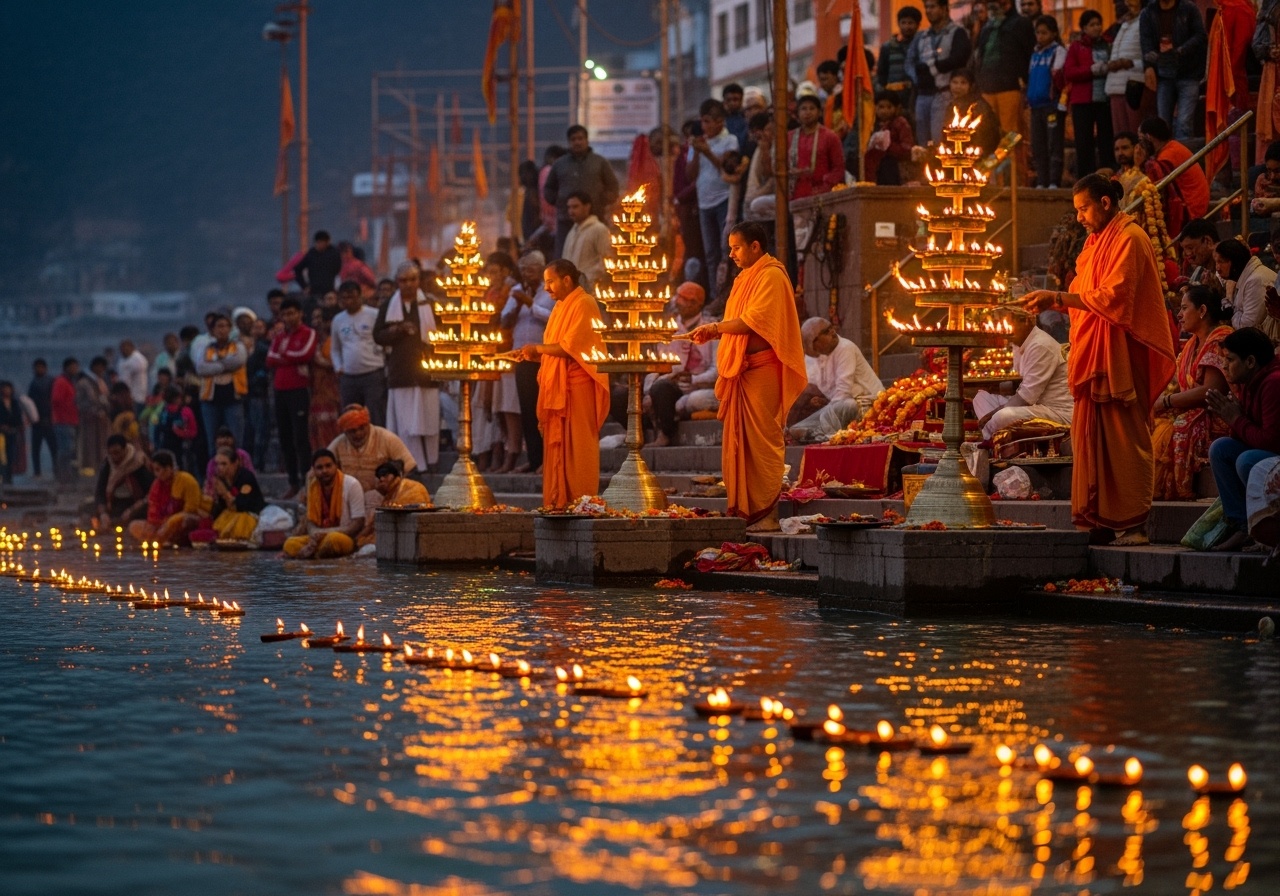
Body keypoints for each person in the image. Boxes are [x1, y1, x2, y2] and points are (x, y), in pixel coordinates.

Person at [1021, 174, 1176, 544]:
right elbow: (1082, 294)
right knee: (1094, 439)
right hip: (1093, 354)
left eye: (1084, 208)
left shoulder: (1131, 238)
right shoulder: (1093, 245)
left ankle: (1135, 524)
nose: (1079, 218)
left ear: (1105, 203)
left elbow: (1114, 297)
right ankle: (1103, 522)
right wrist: (1052, 297)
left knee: (1126, 438)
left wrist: (1056, 298)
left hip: (1121, 355)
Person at [687, 222, 807, 532]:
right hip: (743, 369)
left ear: (755, 246)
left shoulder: (772, 276)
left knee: (763, 440)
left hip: (763, 368)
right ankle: (748, 511)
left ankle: (767, 514)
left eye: (736, 247)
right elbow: (736, 322)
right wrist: (715, 331)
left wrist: (714, 329)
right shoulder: (744, 279)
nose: (731, 254)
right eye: (729, 247)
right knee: (742, 444)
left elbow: (752, 322)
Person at [518, 259, 609, 509]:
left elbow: (571, 347)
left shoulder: (585, 303)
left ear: (566, 280)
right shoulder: (559, 307)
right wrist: (535, 353)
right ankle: (559, 502)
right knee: (558, 449)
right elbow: (554, 347)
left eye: (550, 281)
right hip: (559, 385)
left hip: (578, 385)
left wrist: (537, 349)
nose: (546, 288)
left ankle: (581, 501)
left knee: (578, 449)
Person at [1151, 285, 1234, 499]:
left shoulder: (1221, 339)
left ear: (1203, 311)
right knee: (1151, 420)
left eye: (1184, 308)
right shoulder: (1191, 344)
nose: (1179, 314)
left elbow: (1211, 391)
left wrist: (1167, 401)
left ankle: (1178, 489)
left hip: (1217, 414)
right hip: (1191, 408)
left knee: (1178, 426)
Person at [1204, 328, 1280, 550]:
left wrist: (1236, 418)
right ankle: (1242, 527)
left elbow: (1270, 442)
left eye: (1230, 359)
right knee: (1221, 449)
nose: (1224, 366)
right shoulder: (1248, 382)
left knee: (1247, 461)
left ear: (1250, 361)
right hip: (1265, 450)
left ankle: (1267, 525)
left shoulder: (1274, 383)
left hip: (1274, 456)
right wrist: (1234, 417)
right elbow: (1246, 436)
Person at [374, 261, 442, 473]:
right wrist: (398, 330)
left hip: (427, 371)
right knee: (405, 424)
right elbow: (378, 336)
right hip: (401, 372)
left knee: (429, 420)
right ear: (397, 282)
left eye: (413, 279)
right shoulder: (388, 306)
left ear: (419, 280)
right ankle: (411, 464)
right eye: (404, 280)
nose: (409, 284)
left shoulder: (429, 304)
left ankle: (430, 463)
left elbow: (441, 334)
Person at [644, 282, 720, 447]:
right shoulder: (669, 329)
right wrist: (648, 391)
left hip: (699, 388)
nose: (677, 303)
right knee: (639, 393)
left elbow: (717, 371)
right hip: (670, 386)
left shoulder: (711, 328)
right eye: (678, 298)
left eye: (684, 300)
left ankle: (666, 430)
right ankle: (646, 432)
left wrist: (693, 379)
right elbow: (655, 367)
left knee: (694, 400)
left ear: (696, 304)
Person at [501, 251, 556, 473]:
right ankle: (534, 459)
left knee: (545, 409)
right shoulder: (516, 292)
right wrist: (516, 305)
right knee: (527, 410)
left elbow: (552, 317)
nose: (526, 274)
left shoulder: (550, 291)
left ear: (541, 270)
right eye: (523, 270)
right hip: (522, 358)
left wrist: (530, 303)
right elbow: (504, 321)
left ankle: (549, 459)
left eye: (530, 270)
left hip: (545, 357)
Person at [787, 318, 883, 443]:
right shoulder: (819, 356)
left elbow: (843, 392)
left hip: (867, 406)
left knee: (847, 405)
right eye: (826, 331)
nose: (832, 332)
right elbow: (809, 384)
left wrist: (829, 407)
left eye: (831, 328)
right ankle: (813, 433)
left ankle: (821, 435)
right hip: (838, 407)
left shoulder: (845, 348)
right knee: (798, 422)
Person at [973, 0, 1035, 171]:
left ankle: (1011, 177)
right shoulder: (988, 26)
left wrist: (1026, 83)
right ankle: (989, 174)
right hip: (986, 88)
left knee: (1010, 136)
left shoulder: (1021, 23)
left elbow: (1029, 54)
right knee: (987, 133)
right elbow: (980, 55)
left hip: (1010, 87)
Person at [543, 125, 620, 259]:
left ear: (587, 140)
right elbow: (549, 188)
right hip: (566, 220)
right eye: (573, 139)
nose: (577, 142)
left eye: (580, 138)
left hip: (595, 218)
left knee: (597, 257)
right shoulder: (560, 164)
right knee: (565, 257)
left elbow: (613, 186)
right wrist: (560, 201)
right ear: (569, 142)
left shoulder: (599, 162)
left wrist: (602, 201)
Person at [266, 297, 317, 498]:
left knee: (301, 437)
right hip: (280, 391)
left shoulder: (307, 333)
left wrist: (283, 356)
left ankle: (306, 482)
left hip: (299, 390)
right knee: (285, 439)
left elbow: (305, 354)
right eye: (285, 314)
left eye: (292, 313)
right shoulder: (279, 336)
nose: (288, 317)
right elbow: (269, 359)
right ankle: (293, 482)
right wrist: (287, 356)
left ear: (300, 313)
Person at [689, 99, 740, 298]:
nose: (706, 126)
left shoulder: (730, 140)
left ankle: (729, 296)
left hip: (724, 200)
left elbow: (727, 167)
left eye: (709, 121)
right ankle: (715, 295)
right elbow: (690, 175)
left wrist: (706, 152)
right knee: (710, 253)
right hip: (703, 202)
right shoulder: (700, 142)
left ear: (720, 121)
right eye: (703, 121)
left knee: (727, 250)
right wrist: (695, 153)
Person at [1139, 0, 1206, 142]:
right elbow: (1146, 43)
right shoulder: (1148, 12)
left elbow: (1200, 36)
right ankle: (1166, 159)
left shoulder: (1188, 9)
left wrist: (1180, 51)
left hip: (1189, 72)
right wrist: (1148, 66)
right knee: (1162, 124)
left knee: (1184, 122)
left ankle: (1183, 161)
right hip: (1163, 72)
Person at [907, 0, 973, 145]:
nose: (928, 11)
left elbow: (959, 58)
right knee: (923, 145)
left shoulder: (957, 32)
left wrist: (933, 68)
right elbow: (909, 62)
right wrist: (918, 77)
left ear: (944, 9)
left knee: (941, 143)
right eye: (927, 7)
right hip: (923, 95)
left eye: (933, 7)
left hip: (944, 93)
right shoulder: (921, 36)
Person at [327, 404, 418, 507]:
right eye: (352, 431)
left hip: (382, 497)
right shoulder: (339, 443)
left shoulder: (386, 438)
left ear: (368, 423)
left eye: (362, 428)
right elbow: (318, 468)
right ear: (345, 431)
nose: (358, 434)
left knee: (372, 497)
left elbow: (410, 468)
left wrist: (393, 488)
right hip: (348, 497)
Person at [282, 448, 365, 559]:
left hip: (344, 537)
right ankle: (314, 552)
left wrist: (323, 533)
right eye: (319, 468)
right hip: (318, 538)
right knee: (290, 543)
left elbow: (358, 524)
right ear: (314, 470)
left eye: (328, 466)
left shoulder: (352, 484)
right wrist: (315, 536)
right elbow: (310, 522)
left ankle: (312, 554)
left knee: (333, 539)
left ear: (336, 466)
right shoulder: (313, 486)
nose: (324, 471)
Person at [1064, 10, 1115, 178]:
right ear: (1084, 27)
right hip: (1083, 100)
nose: (1097, 27)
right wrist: (1091, 70)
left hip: (1104, 99)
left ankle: (1108, 175)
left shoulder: (1108, 43)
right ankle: (1086, 177)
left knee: (1106, 139)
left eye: (1098, 24)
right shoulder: (1077, 47)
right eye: (1092, 24)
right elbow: (1069, 72)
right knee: (1084, 141)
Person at [1140, 117, 1210, 239]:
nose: (1139, 146)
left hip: (1191, 208)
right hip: (1196, 204)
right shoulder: (1173, 147)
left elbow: (1154, 186)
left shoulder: (1167, 156)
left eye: (1140, 140)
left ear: (1148, 137)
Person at [331, 280, 388, 426]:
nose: (349, 301)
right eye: (345, 298)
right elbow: (335, 348)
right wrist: (338, 366)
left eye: (352, 297)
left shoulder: (374, 314)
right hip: (349, 377)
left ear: (360, 296)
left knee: (375, 415)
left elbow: (384, 340)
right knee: (350, 417)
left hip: (373, 374)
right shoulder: (338, 320)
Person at [127, 450, 204, 546]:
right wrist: (154, 525)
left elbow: (191, 510)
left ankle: (166, 540)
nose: (156, 474)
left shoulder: (187, 480)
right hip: (161, 525)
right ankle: (162, 540)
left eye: (158, 470)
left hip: (184, 521)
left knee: (186, 520)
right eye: (154, 470)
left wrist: (169, 523)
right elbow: (153, 510)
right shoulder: (157, 484)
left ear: (169, 468)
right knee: (134, 526)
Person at [195, 312, 247, 451]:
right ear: (212, 330)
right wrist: (225, 366)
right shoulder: (205, 349)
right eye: (218, 326)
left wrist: (215, 364)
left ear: (230, 329)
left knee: (236, 441)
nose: (222, 329)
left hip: (233, 399)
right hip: (210, 401)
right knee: (213, 442)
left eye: (225, 326)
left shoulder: (238, 347)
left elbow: (238, 361)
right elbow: (200, 369)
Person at [1026, 15, 1067, 189]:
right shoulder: (1035, 55)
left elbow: (1059, 76)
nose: (1040, 36)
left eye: (1044, 33)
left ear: (1054, 33)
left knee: (1054, 144)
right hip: (1036, 106)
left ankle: (1053, 181)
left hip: (1052, 105)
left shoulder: (1058, 51)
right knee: (1038, 145)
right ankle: (1041, 181)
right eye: (1038, 33)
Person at [198, 446, 267, 543]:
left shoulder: (245, 476)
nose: (220, 468)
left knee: (239, 522)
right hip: (231, 513)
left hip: (250, 514)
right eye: (217, 464)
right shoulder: (221, 478)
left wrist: (225, 493)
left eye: (224, 464)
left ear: (235, 463)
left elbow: (242, 506)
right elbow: (222, 507)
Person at [356, 460, 432, 548]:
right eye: (379, 476)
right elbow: (374, 524)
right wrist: (357, 540)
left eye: (385, 475)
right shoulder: (390, 494)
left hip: (410, 537)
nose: (381, 479)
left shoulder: (410, 488)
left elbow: (393, 521)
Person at [1106, 0, 1153, 136]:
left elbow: (1149, 55)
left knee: (1135, 133)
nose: (1127, 4)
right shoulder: (1123, 25)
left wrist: (1130, 63)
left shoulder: (1146, 21)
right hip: (1115, 86)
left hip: (1134, 85)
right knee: (1120, 135)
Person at [789, 94, 846, 199]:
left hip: (821, 195)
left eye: (812, 108)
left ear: (819, 112)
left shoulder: (830, 137)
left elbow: (838, 169)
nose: (808, 112)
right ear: (797, 114)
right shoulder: (789, 138)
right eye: (803, 109)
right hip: (793, 195)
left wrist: (825, 187)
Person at [1214, 238, 1277, 331]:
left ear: (1235, 261)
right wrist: (1237, 312)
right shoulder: (1245, 278)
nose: (1217, 268)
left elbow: (1247, 327)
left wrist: (1233, 312)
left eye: (1221, 261)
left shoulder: (1256, 280)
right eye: (1216, 262)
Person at [94, 434, 153, 530]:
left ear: (125, 449)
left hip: (135, 503)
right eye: (111, 453)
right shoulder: (107, 464)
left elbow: (150, 493)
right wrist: (103, 513)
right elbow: (100, 491)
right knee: (87, 508)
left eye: (117, 453)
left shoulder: (138, 464)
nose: (114, 457)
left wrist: (132, 510)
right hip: (115, 503)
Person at [560, 191, 612, 292]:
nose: (571, 211)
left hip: (591, 289)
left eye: (575, 207)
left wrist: (588, 278)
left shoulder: (599, 229)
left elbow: (607, 261)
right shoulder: (572, 231)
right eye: (569, 207)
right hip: (571, 288)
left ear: (587, 207)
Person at [943, 69, 1001, 156]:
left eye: (963, 83)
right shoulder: (952, 106)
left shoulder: (977, 106)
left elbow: (986, 134)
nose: (958, 86)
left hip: (978, 153)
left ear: (971, 86)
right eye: (955, 82)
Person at [878, 7, 923, 118]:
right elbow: (882, 73)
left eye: (910, 23)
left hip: (916, 94)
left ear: (917, 25)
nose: (907, 26)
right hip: (894, 97)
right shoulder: (887, 47)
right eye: (903, 23)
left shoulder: (922, 45)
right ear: (898, 24)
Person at [308, 306, 341, 451]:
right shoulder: (312, 340)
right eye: (314, 318)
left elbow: (336, 363)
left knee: (332, 425)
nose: (317, 322)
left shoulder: (334, 340)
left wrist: (319, 359)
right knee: (317, 425)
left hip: (333, 390)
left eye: (321, 319)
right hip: (316, 390)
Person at [865, 91, 915, 185]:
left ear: (897, 108)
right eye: (881, 107)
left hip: (896, 170)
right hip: (877, 170)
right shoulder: (872, 125)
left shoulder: (901, 123)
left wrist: (888, 146)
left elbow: (908, 149)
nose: (884, 111)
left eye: (889, 107)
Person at [202, 426, 255, 498]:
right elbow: (210, 487)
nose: (224, 440)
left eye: (227, 437)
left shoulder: (243, 456)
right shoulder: (212, 463)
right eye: (220, 437)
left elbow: (250, 479)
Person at [293, 230, 343, 303]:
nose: (320, 245)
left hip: (330, 289)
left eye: (322, 242)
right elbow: (297, 269)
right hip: (314, 290)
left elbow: (337, 269)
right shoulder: (311, 254)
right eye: (318, 242)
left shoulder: (334, 254)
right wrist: (304, 286)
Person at [51, 358, 80, 484]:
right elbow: (56, 400)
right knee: (65, 451)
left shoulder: (70, 382)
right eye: (73, 367)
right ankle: (64, 477)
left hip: (71, 421)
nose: (75, 369)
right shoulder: (61, 382)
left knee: (70, 450)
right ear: (66, 368)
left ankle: (69, 476)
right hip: (63, 421)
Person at [27, 359, 56, 479]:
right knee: (35, 449)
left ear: (45, 368)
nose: (39, 369)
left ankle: (56, 470)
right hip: (37, 421)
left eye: (41, 367)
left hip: (49, 419)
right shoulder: (33, 383)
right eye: (36, 367)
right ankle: (37, 472)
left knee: (53, 447)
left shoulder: (51, 381)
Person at [0, 381, 26, 483]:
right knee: (2, 457)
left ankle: (9, 479)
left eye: (8, 388)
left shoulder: (15, 402)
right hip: (1, 433)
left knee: (11, 456)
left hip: (12, 432)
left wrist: (17, 427)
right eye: (5, 388)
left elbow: (18, 417)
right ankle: (3, 478)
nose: (7, 390)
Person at [1113, 131, 1148, 204]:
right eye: (1117, 149)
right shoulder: (1116, 177)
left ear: (1136, 148)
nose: (1120, 153)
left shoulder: (1148, 168)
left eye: (1125, 148)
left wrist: (1137, 166)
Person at [116, 340, 148, 410]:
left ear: (132, 347)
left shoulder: (139, 359)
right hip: (125, 397)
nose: (124, 350)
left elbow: (128, 375)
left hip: (137, 397)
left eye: (126, 347)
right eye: (122, 348)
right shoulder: (121, 360)